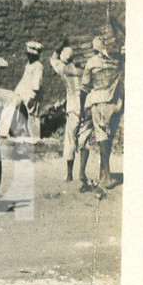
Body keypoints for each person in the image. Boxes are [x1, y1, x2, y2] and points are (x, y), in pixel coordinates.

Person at [79, 33, 124, 193]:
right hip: (113, 102)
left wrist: (82, 107)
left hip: (98, 102)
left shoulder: (92, 62)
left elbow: (84, 86)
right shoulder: (116, 63)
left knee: (101, 138)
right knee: (109, 138)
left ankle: (107, 175)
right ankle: (104, 174)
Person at [49, 44, 90, 183]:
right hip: (85, 107)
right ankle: (82, 173)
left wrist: (59, 45)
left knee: (70, 140)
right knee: (84, 140)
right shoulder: (82, 69)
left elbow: (52, 60)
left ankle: (69, 174)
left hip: (73, 108)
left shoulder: (64, 69)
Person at [0, 41, 44, 138]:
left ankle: (34, 138)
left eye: (30, 55)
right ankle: (21, 135)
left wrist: (32, 97)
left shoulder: (38, 67)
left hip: (31, 97)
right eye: (28, 55)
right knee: (20, 115)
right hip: (23, 95)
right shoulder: (29, 65)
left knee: (32, 117)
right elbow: (24, 80)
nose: (28, 57)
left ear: (34, 56)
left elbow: (36, 84)